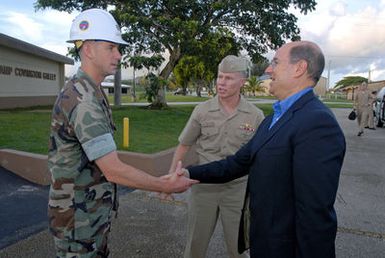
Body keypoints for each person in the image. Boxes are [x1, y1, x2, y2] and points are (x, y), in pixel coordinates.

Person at [47, 8, 198, 257]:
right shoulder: (83, 98)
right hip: (79, 224)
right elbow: (113, 168)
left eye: (119, 48)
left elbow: (103, 158)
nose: (119, 55)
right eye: (111, 47)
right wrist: (164, 185)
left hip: (88, 217)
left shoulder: (90, 91)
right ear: (88, 49)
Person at [175, 41, 346, 258]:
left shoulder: (317, 123)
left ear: (299, 68)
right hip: (264, 242)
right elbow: (237, 163)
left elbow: (315, 214)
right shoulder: (272, 120)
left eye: (275, 62)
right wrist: (189, 173)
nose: (267, 69)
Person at [168, 55, 264, 258]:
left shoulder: (255, 116)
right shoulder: (202, 111)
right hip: (203, 188)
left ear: (242, 82)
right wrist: (170, 178)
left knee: (238, 249)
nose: (221, 82)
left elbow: (259, 157)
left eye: (228, 78)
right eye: (220, 77)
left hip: (237, 190)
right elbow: (184, 146)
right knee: (195, 246)